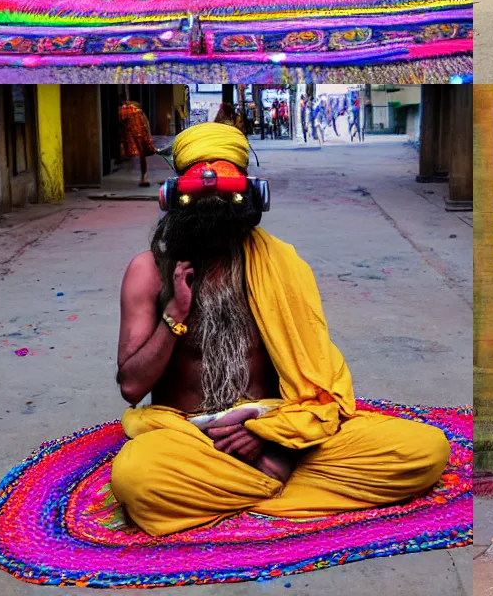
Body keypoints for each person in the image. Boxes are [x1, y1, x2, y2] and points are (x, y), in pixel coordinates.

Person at [111, 123, 450, 536]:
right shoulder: (147, 272)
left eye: (226, 194)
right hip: (192, 438)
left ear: (251, 196)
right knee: (137, 477)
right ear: (175, 197)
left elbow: (319, 382)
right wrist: (175, 315)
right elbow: (132, 387)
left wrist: (272, 438)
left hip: (278, 431)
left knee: (424, 450)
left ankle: (247, 484)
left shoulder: (282, 264)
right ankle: (274, 483)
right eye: (201, 193)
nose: (213, 204)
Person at [118, 99, 157, 187]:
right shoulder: (139, 112)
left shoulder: (123, 111)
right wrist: (149, 137)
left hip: (129, 135)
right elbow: (146, 125)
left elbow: (121, 122)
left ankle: (144, 176)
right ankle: (144, 176)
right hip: (141, 135)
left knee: (131, 153)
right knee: (142, 156)